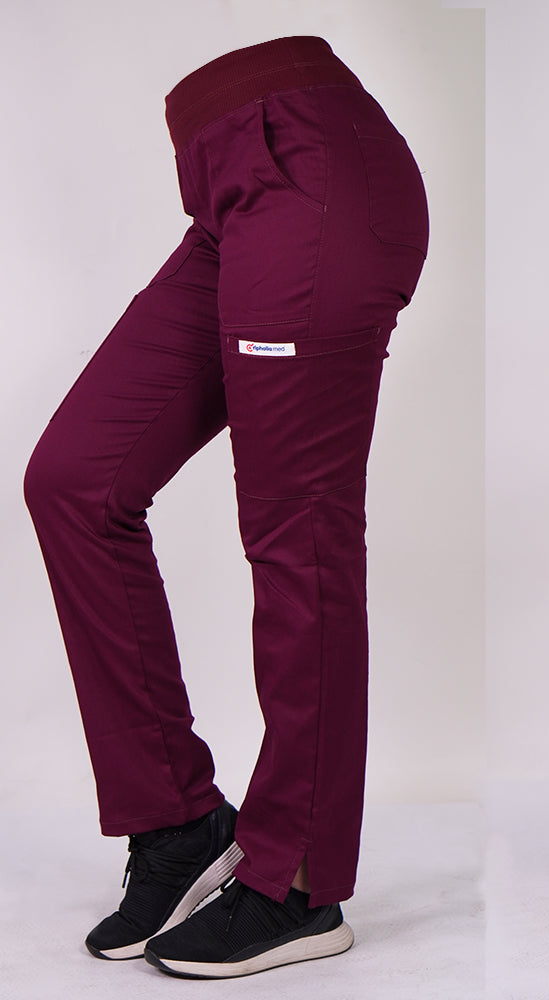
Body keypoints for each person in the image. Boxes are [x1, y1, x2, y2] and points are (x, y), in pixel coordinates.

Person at [23, 36, 428, 979]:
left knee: (299, 529)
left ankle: (298, 883)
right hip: (229, 180)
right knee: (75, 482)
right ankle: (178, 822)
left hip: (309, 164)